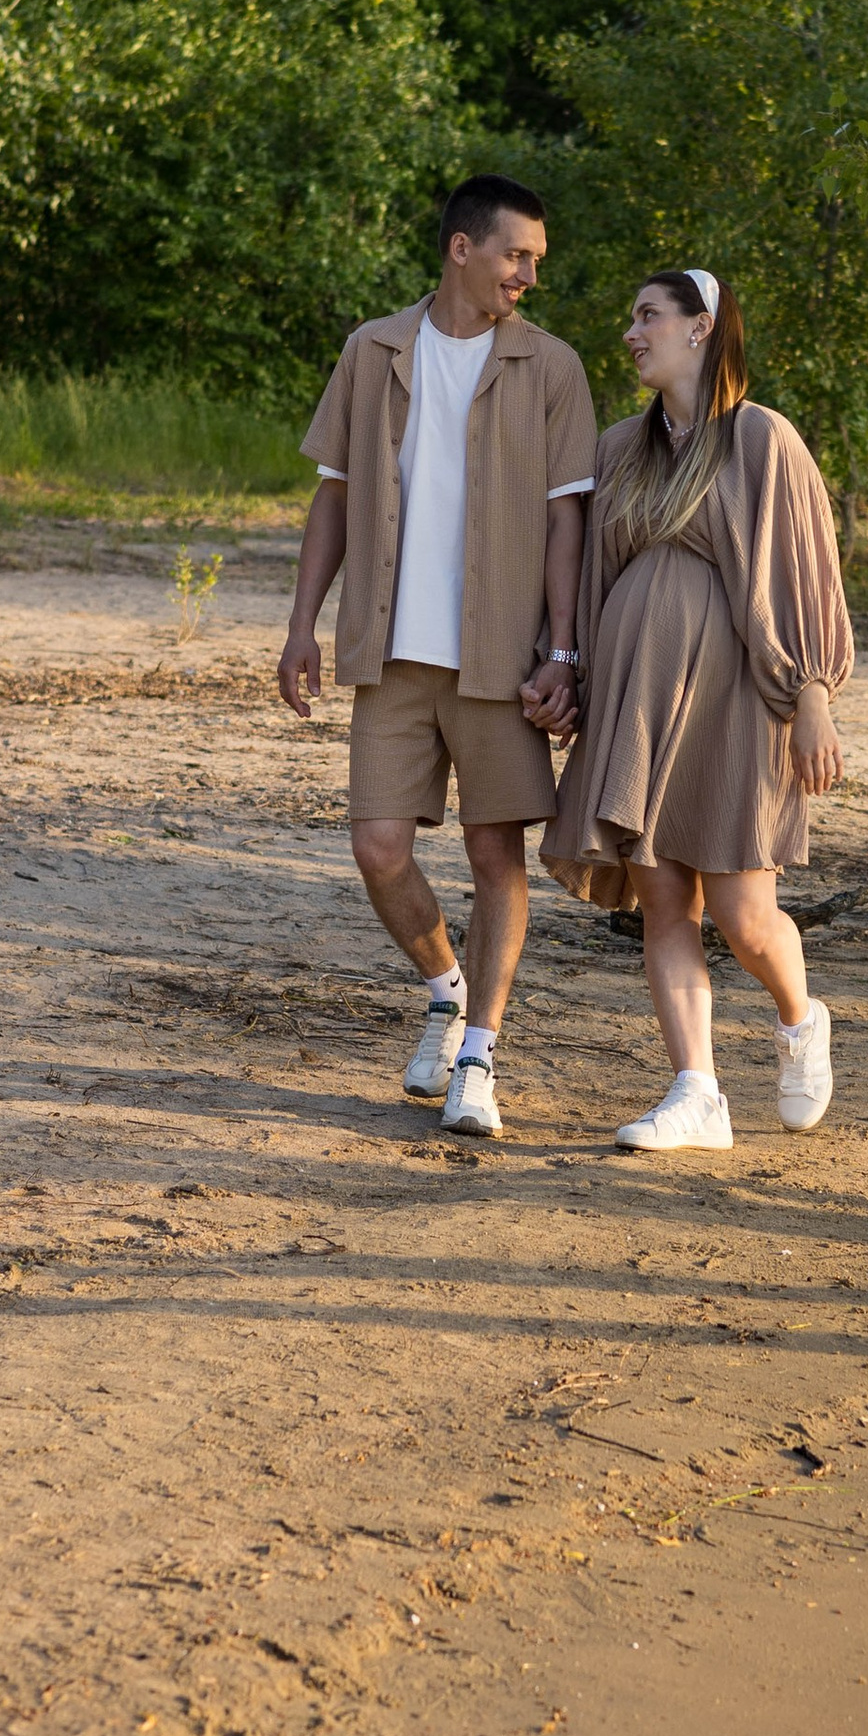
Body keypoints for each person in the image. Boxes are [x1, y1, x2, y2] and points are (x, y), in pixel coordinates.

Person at [280, 178, 598, 1139]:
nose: (529, 276)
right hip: (388, 650)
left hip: (499, 659)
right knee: (378, 848)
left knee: (495, 854)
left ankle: (477, 1058)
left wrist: (565, 651)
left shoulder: (552, 367)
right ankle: (446, 989)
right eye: (517, 256)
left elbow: (565, 520)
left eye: (536, 260)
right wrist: (303, 624)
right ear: (463, 248)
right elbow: (333, 495)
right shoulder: (373, 350)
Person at [543, 268, 853, 1150]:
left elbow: (806, 580)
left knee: (745, 914)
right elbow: (593, 575)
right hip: (638, 694)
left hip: (738, 700)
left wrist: (815, 697)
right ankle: (698, 1094)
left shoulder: (761, 439)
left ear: (701, 326)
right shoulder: (619, 448)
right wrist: (572, 676)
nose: (632, 332)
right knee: (663, 899)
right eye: (631, 316)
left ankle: (800, 1020)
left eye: (649, 316)